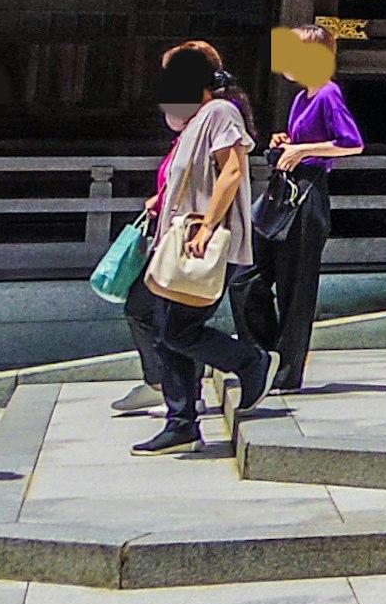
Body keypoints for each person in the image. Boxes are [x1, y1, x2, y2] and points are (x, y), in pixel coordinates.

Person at [125, 41, 276, 452]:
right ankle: (182, 419)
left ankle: (249, 360)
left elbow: (232, 171)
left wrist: (207, 226)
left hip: (205, 242)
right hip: (179, 240)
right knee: (163, 327)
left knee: (177, 329)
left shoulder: (220, 113)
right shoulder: (196, 120)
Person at [250, 65, 365, 393]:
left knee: (295, 285)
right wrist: (288, 142)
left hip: (309, 188)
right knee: (247, 280)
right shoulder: (302, 97)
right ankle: (266, 354)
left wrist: (304, 150)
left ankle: (286, 372)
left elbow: (352, 143)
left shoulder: (328, 92)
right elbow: (306, 142)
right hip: (286, 187)